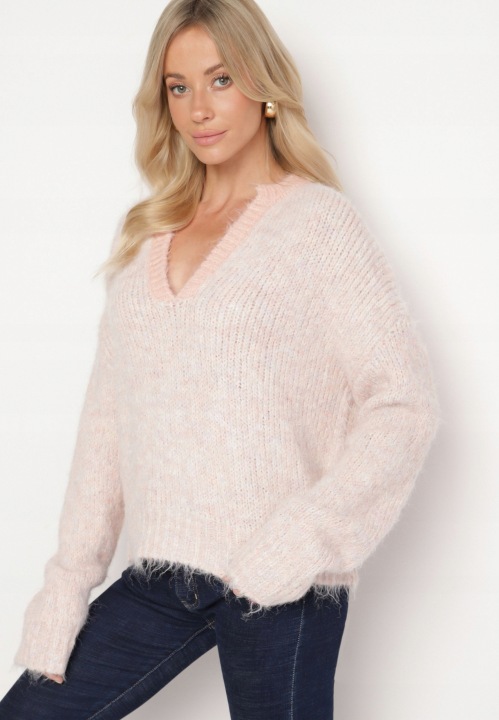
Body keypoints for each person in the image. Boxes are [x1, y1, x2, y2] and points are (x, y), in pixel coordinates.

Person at [0, 0, 440, 718]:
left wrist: (299, 540)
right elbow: (106, 429)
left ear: (264, 88)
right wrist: (64, 594)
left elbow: (403, 403)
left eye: (221, 79)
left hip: (281, 585)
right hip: (160, 581)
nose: (198, 108)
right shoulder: (148, 238)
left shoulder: (318, 224)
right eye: (178, 87)